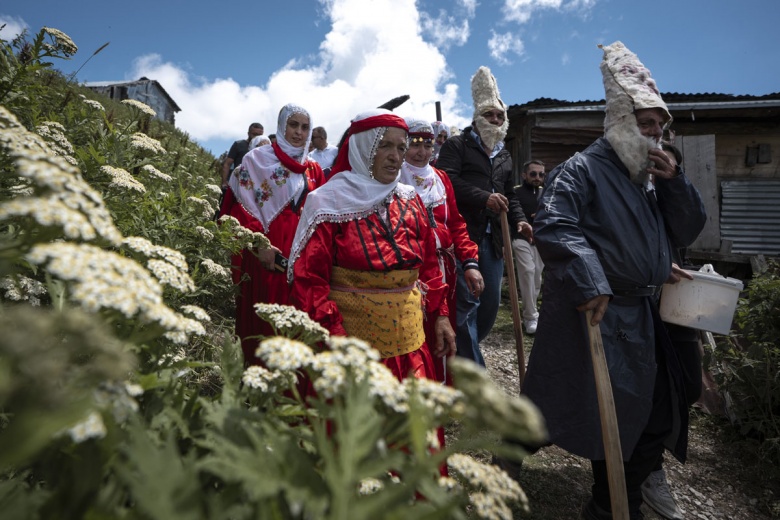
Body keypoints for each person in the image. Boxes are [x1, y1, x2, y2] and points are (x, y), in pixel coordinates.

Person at [521, 41, 706, 520]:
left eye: (660, 128)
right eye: (646, 125)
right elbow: (556, 224)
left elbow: (684, 230)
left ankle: (618, 497)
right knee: (597, 413)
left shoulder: (647, 178)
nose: (655, 137)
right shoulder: (580, 170)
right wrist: (591, 278)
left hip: (647, 315)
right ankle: (603, 502)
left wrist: (676, 186)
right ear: (620, 122)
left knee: (666, 407)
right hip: (601, 313)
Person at [288, 108, 455, 388]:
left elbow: (427, 267)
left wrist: (441, 316)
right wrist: (337, 342)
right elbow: (310, 282)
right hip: (354, 355)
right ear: (363, 147)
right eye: (385, 145)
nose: (395, 156)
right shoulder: (327, 203)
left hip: (411, 349)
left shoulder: (410, 198)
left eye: (401, 147)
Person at [436, 66, 531, 367]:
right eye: (489, 114)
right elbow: (447, 181)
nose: (495, 120)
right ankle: (474, 371)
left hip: (495, 239)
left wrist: (519, 220)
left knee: (489, 305)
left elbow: (509, 194)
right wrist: (484, 198)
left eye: (499, 116)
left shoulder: (503, 155)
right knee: (467, 303)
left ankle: (465, 353)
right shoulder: (457, 145)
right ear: (477, 116)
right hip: (465, 235)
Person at [219, 105, 324, 365]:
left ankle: (290, 389)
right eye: (293, 125)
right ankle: (256, 387)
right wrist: (259, 245)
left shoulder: (314, 169)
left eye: (304, 127)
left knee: (296, 320)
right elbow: (240, 207)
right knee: (263, 321)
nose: (299, 132)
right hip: (266, 253)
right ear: (281, 126)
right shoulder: (257, 160)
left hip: (302, 256)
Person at [640, 141, 704, 520]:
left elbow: (690, 229)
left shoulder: (674, 195)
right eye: (654, 163)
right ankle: (647, 471)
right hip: (634, 304)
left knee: (688, 387)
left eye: (669, 164)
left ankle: (647, 467)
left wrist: (674, 181)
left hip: (676, 302)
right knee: (646, 395)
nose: (659, 168)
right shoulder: (623, 192)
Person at [399, 118, 483, 384]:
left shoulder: (441, 178)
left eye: (427, 143)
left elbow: (456, 223)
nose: (422, 151)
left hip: (445, 269)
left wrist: (470, 261)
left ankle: (444, 386)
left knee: (445, 327)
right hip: (411, 270)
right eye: (414, 144)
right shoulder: (393, 176)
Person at [510, 160, 546, 334]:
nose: (537, 177)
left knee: (537, 276)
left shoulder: (547, 193)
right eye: (533, 174)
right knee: (528, 272)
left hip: (540, 240)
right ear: (525, 175)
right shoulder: (515, 192)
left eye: (541, 174)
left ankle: (530, 313)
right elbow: (511, 213)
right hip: (520, 238)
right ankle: (531, 316)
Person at [221, 122, 264, 190]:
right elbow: (227, 164)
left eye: (259, 135)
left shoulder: (263, 148)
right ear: (248, 133)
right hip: (236, 184)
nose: (256, 137)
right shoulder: (239, 144)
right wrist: (224, 182)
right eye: (254, 134)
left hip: (254, 186)